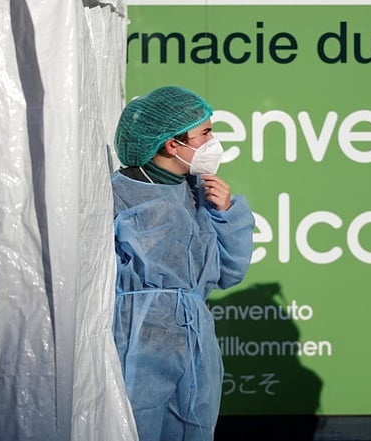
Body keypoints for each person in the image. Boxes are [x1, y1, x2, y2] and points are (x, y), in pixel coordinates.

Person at [111, 86, 255, 441]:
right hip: (134, 342)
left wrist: (226, 214)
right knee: (134, 428)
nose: (213, 141)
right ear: (172, 144)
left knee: (192, 429)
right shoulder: (118, 193)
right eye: (204, 133)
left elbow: (229, 273)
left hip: (194, 344)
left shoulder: (199, 191)